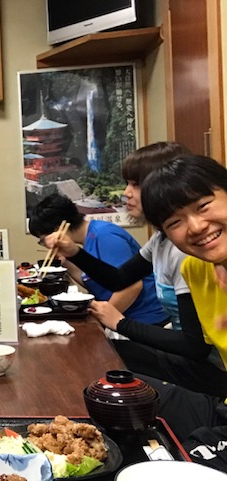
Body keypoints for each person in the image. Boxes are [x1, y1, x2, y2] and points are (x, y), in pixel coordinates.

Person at [42, 143, 227, 396]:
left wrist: (121, 323)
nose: (127, 193)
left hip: (209, 369)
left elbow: (195, 346)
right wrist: (75, 253)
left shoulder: (188, 252)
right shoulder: (164, 241)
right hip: (198, 358)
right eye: (127, 183)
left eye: (136, 184)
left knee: (102, 374)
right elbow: (119, 279)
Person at [135, 154, 227, 470]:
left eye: (203, 206)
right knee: (115, 395)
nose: (196, 226)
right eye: (175, 222)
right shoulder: (196, 270)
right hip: (222, 404)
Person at [29, 193, 169, 328]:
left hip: (145, 320)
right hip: (126, 318)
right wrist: (66, 262)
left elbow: (132, 287)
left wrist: (99, 320)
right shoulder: (88, 240)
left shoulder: (104, 235)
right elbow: (93, 281)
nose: (45, 245)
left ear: (57, 229)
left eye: (43, 240)